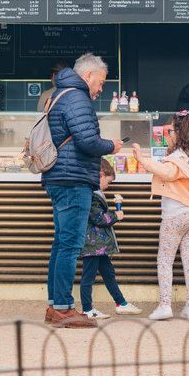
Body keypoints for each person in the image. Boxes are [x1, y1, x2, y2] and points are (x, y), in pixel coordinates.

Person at [40, 53, 122, 328]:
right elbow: (88, 141)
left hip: (60, 177)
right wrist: (111, 146)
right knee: (71, 245)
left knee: (61, 244)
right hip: (73, 179)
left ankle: (55, 306)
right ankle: (64, 309)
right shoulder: (77, 97)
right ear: (88, 76)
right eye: (101, 82)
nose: (101, 88)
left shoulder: (61, 93)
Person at [134, 111, 189, 321]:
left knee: (165, 260)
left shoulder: (178, 158)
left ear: (179, 133)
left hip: (175, 215)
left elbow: (167, 173)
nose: (169, 134)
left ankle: (165, 306)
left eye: (171, 131)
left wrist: (141, 159)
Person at [78, 158, 141, 319]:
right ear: (100, 175)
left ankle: (121, 303)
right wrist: (115, 215)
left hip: (98, 245)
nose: (108, 185)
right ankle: (87, 309)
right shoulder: (92, 194)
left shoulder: (95, 193)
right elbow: (98, 218)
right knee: (88, 277)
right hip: (93, 245)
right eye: (108, 181)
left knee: (108, 272)